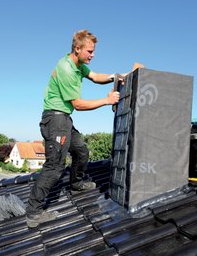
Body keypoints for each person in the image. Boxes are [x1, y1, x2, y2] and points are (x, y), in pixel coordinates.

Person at [26, 29, 136, 228]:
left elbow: (95, 76)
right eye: (90, 51)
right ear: (77, 49)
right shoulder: (66, 69)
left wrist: (117, 77)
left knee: (81, 151)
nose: (93, 55)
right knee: (55, 166)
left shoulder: (79, 66)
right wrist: (106, 100)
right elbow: (78, 104)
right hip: (55, 120)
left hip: (64, 119)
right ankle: (33, 213)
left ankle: (76, 185)